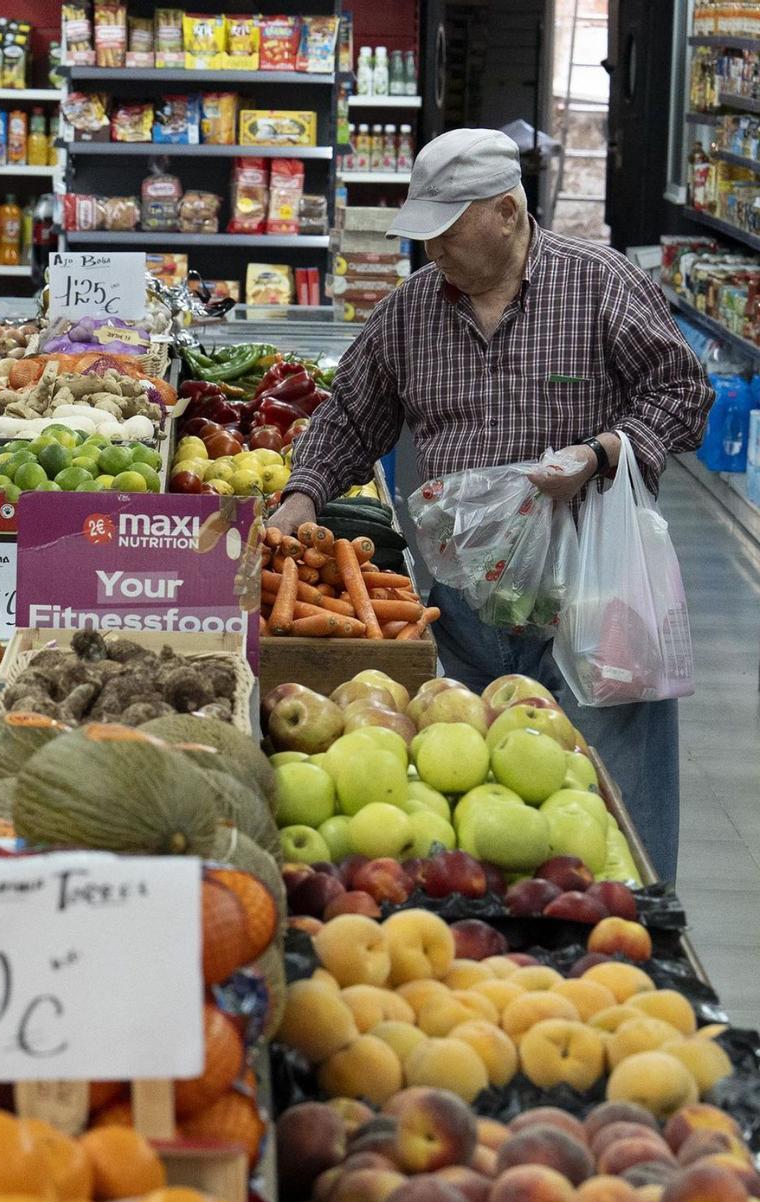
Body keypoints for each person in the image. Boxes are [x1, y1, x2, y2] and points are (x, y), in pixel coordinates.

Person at [269, 128, 712, 882]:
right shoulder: (413, 312)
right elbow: (349, 417)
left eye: (447, 230)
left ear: (506, 213)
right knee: (471, 810)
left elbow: (682, 393)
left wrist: (604, 450)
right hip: (465, 612)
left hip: (592, 604)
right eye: (426, 233)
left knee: (614, 816)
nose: (432, 249)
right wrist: (301, 495)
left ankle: (638, 945)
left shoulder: (598, 283)